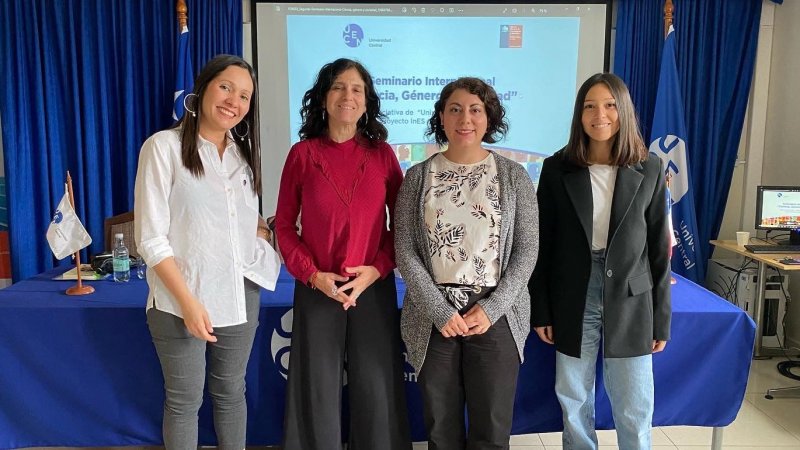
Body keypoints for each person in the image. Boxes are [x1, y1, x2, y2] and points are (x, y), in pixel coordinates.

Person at [134, 54, 280, 450]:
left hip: (239, 292)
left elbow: (246, 218)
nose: (235, 100)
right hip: (181, 298)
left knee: (232, 392)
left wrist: (263, 236)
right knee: (184, 401)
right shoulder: (163, 148)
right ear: (202, 89)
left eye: (245, 95)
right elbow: (150, 238)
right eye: (227, 87)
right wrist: (188, 303)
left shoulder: (242, 154)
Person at [395, 77, 539, 450]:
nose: (465, 118)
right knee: (441, 429)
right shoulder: (417, 177)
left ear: (488, 118)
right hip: (433, 318)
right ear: (441, 117)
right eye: (455, 109)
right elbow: (406, 251)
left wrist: (491, 309)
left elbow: (526, 252)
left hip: (496, 316)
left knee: (490, 429)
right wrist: (439, 311)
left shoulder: (514, 177)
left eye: (476, 110)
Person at [529, 73, 671, 450]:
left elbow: (658, 250)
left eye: (609, 105)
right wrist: (541, 310)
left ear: (623, 111)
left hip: (631, 296)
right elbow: (543, 245)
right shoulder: (558, 168)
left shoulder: (650, 168)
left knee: (635, 402)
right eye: (590, 106)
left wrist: (661, 318)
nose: (600, 114)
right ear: (579, 114)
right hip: (573, 292)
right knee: (574, 397)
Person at [275, 58, 411, 450]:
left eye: (356, 89)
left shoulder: (383, 155)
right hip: (318, 288)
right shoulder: (301, 154)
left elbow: (400, 225)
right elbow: (284, 226)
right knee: (316, 389)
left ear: (366, 102)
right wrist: (312, 274)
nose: (347, 95)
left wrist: (377, 270)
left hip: (372, 288)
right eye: (338, 87)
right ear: (323, 98)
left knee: (376, 386)